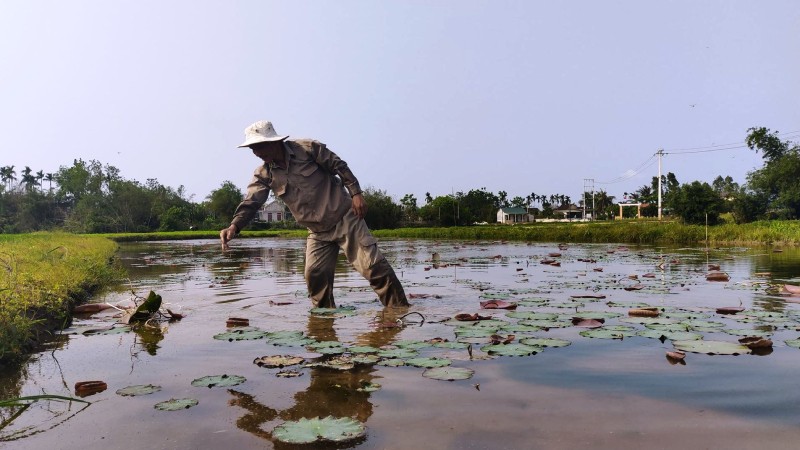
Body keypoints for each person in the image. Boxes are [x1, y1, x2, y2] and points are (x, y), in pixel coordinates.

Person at [220, 120, 409, 308]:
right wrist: (234, 226)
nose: (255, 153)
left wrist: (356, 193)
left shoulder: (307, 149)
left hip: (345, 219)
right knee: (314, 275)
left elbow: (338, 166)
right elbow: (251, 201)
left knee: (373, 267)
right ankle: (324, 324)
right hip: (317, 232)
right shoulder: (264, 174)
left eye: (258, 147)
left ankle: (399, 311)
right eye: (252, 148)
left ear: (273, 142)